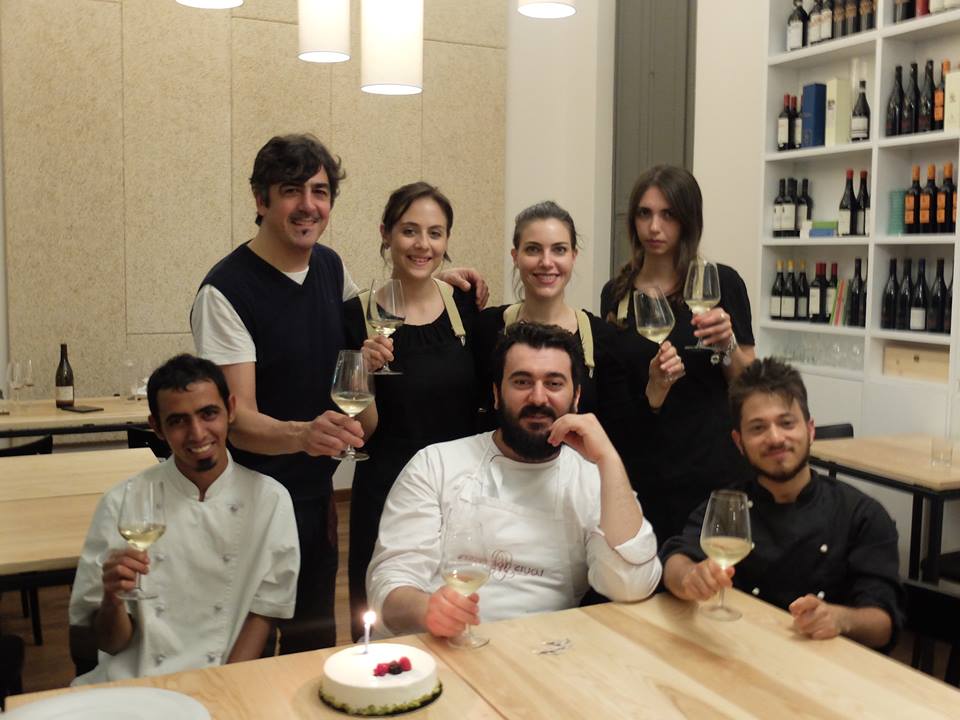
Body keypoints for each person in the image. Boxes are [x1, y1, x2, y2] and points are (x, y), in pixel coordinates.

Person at [191, 134, 486, 651]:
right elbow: (235, 421)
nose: (308, 205)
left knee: (311, 639)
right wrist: (304, 434)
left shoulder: (328, 268)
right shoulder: (226, 292)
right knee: (240, 648)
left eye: (320, 191)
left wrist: (433, 278)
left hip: (314, 495)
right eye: (291, 191)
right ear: (261, 199)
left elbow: (382, 313)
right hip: (252, 503)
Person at [366, 323, 661, 638]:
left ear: (576, 397)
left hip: (540, 651)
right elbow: (389, 587)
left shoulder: (590, 478)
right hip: (432, 647)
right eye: (522, 382)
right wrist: (427, 611)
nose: (538, 397)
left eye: (554, 383)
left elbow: (632, 585)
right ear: (497, 394)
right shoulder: (435, 464)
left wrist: (608, 459)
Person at [69, 355, 300, 684]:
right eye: (178, 421)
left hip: (225, 678)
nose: (197, 433)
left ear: (231, 410)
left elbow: (264, 614)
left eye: (208, 414)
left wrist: (222, 688)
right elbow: (111, 644)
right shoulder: (121, 502)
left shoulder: (270, 501)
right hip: (134, 682)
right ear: (157, 427)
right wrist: (112, 599)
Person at [660, 358, 903, 650]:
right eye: (758, 428)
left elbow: (883, 623)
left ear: (810, 430)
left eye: (787, 423)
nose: (775, 438)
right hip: (737, 651)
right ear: (739, 442)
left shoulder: (861, 514)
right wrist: (688, 577)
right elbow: (675, 558)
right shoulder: (729, 506)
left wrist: (840, 619)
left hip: (824, 665)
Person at [344, 182, 480, 640]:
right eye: (409, 231)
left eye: (435, 233)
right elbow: (362, 431)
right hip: (385, 489)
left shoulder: (465, 306)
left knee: (456, 620)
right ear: (385, 234)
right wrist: (363, 373)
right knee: (381, 631)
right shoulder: (354, 315)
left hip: (459, 493)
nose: (423, 245)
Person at [599, 165, 756, 542]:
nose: (654, 227)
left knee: (709, 570)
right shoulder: (616, 294)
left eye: (668, 215)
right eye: (645, 213)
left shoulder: (722, 283)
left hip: (710, 467)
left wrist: (728, 345)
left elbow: (749, 385)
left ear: (688, 220)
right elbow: (615, 393)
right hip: (644, 469)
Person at [473, 201, 625, 430]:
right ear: (515, 256)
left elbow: (618, 430)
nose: (546, 262)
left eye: (559, 250)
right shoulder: (485, 328)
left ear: (573, 256)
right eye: (533, 249)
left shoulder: (603, 339)